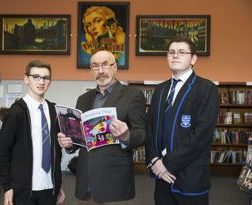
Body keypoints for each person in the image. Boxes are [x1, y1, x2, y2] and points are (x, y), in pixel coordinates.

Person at [58, 50, 146, 204]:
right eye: (95, 66)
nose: (100, 71)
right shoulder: (83, 99)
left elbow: (142, 133)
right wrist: (69, 144)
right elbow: (80, 136)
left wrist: (126, 135)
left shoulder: (133, 95)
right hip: (86, 183)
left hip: (115, 184)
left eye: (105, 65)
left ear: (115, 68)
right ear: (91, 71)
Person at [145, 36, 219, 205]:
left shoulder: (206, 89)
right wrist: (155, 161)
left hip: (190, 177)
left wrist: (167, 164)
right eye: (171, 52)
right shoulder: (160, 90)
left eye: (182, 52)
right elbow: (149, 128)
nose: (175, 56)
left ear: (193, 59)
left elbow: (201, 136)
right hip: (161, 177)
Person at [0, 60, 65, 205]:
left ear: (50, 81)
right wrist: (7, 186)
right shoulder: (16, 112)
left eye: (46, 78)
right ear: (26, 79)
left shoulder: (54, 111)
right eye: (36, 77)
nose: (41, 82)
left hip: (49, 187)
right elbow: (3, 152)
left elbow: (56, 151)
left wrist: (57, 183)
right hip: (23, 189)